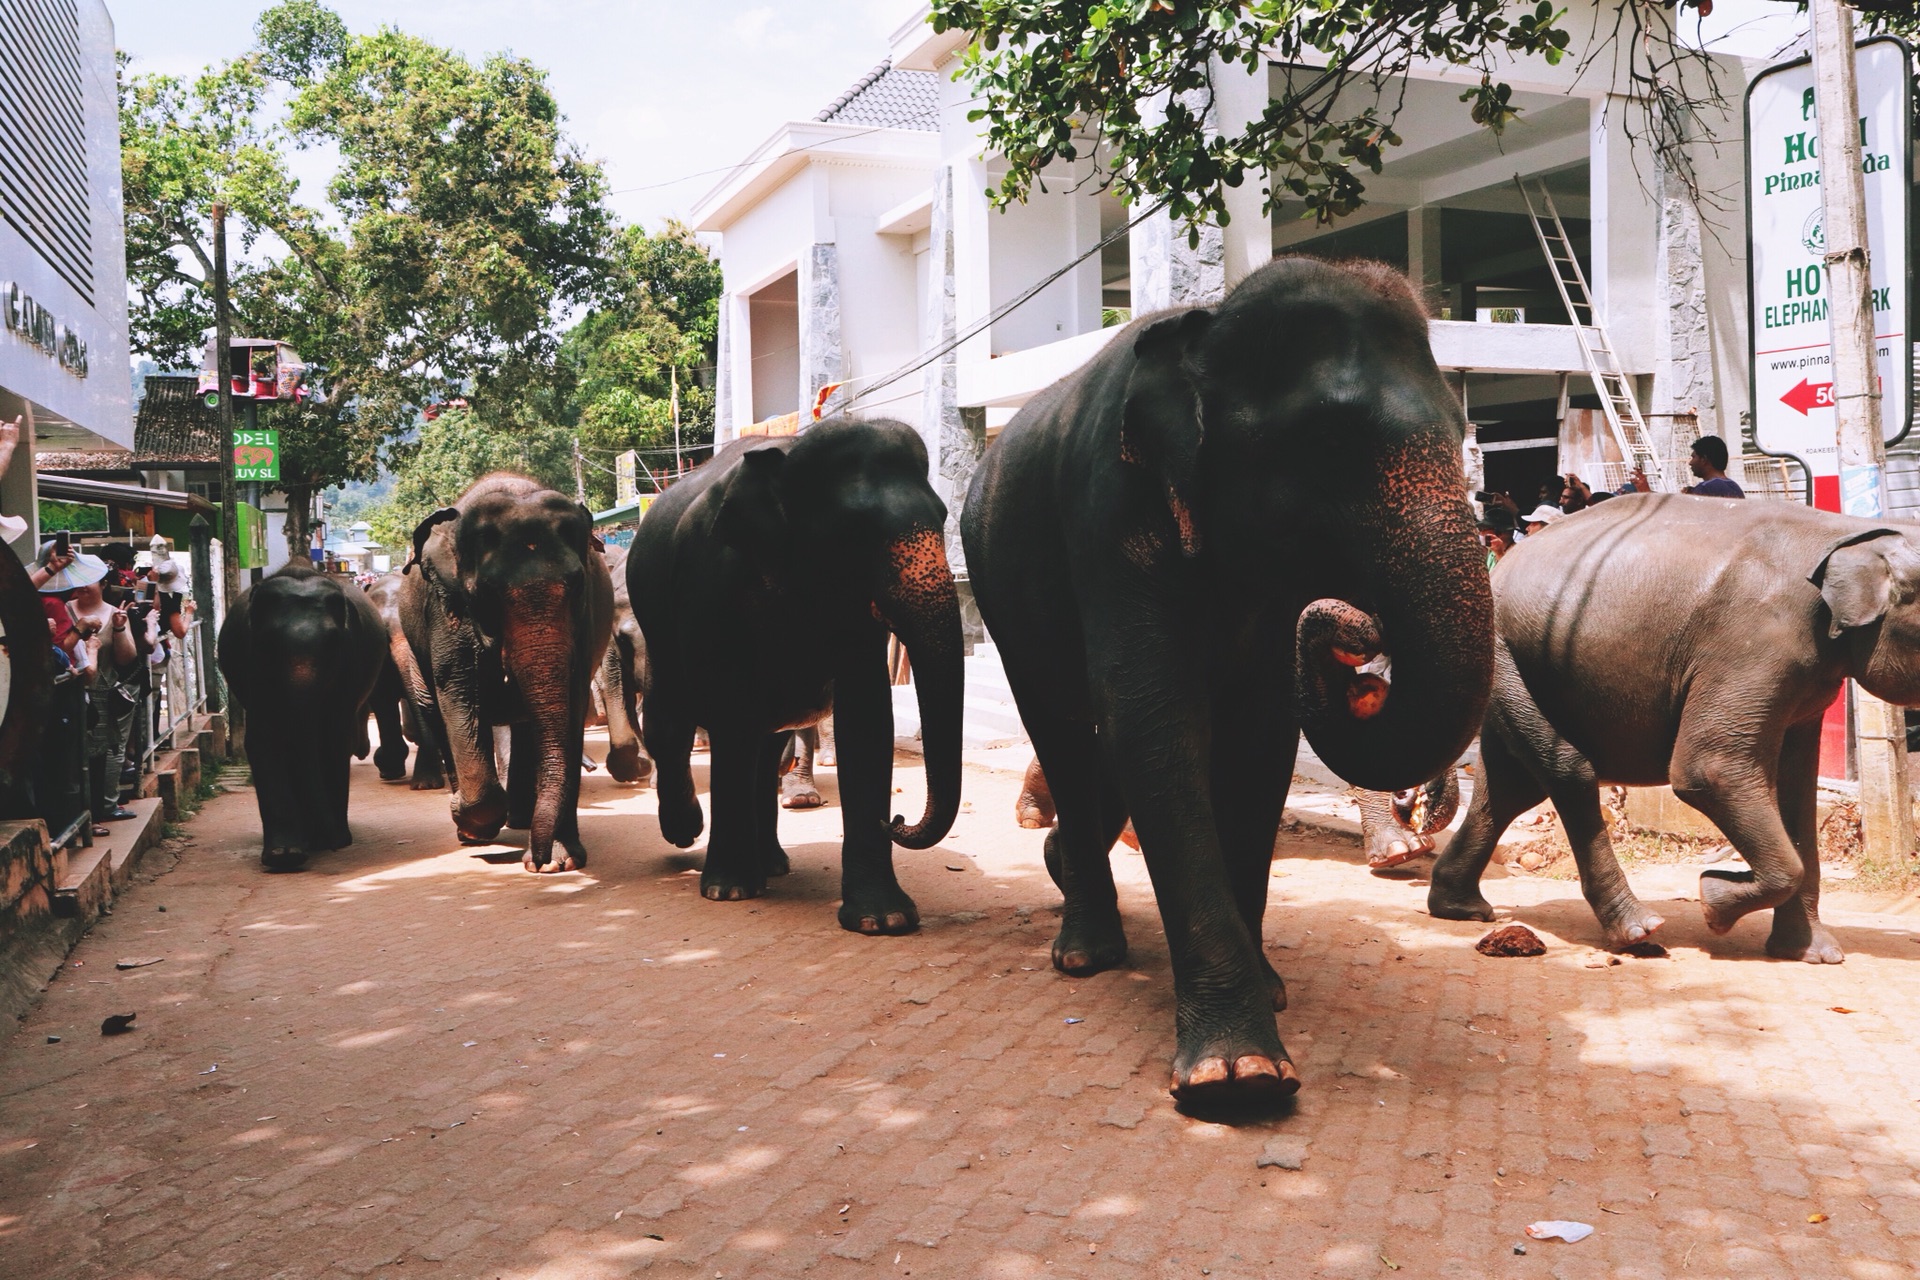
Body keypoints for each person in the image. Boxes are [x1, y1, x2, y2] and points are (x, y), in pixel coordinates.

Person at [39, 547, 141, 825]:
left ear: (103, 584)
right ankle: (85, 812)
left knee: (112, 749)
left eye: (89, 580)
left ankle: (106, 804)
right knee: (80, 754)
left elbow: (127, 658)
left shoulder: (114, 612)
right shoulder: (60, 609)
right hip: (77, 690)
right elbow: (60, 650)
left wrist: (119, 628)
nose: (82, 586)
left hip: (107, 689)